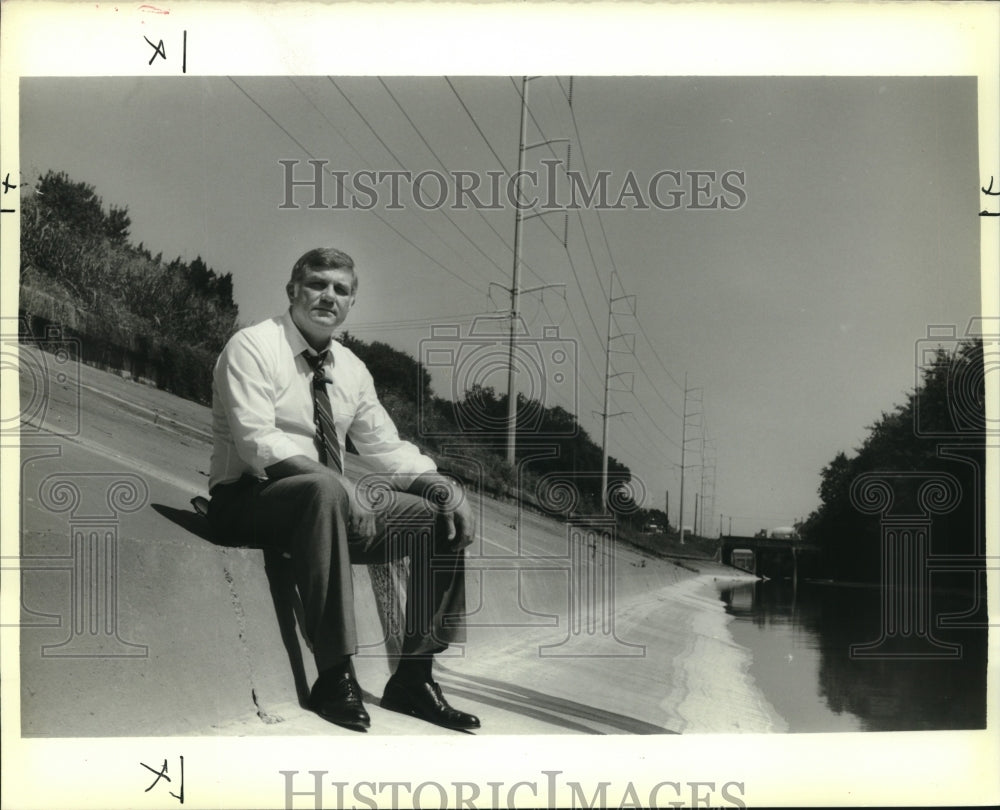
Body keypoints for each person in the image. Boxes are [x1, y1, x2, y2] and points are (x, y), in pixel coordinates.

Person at [206, 246, 479, 732]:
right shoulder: (252, 346)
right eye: (316, 284)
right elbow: (256, 444)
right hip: (246, 500)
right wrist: (338, 481)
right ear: (293, 290)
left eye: (341, 289)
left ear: (352, 303)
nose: (327, 296)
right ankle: (334, 676)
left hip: (323, 514)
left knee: (436, 516)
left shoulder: (351, 368)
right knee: (325, 492)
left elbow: (385, 446)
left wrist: (440, 483)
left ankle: (414, 679)